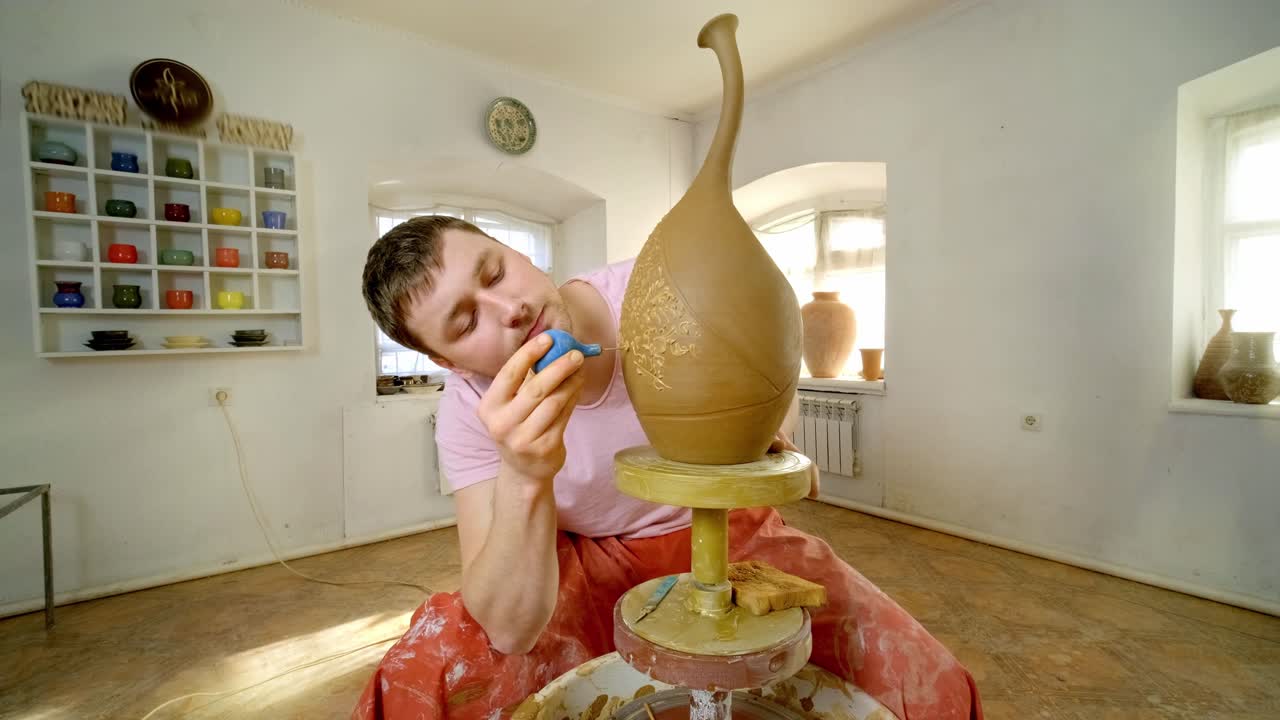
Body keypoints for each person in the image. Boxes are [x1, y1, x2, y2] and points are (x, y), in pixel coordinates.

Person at [355, 216, 981, 720]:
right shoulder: (469, 411)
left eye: (495, 270)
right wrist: (524, 474)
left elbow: (771, 334)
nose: (508, 309)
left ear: (514, 254)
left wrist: (767, 423)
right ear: (451, 364)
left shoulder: (653, 287)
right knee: (424, 682)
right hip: (578, 554)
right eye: (466, 322)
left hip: (726, 529)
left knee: (925, 683)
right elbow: (509, 626)